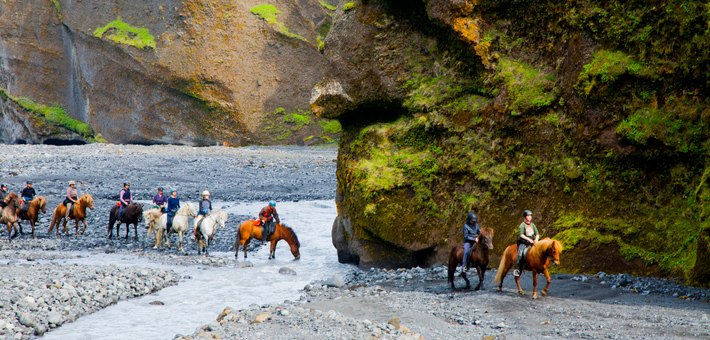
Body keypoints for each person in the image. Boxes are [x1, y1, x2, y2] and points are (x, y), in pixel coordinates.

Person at [514, 210, 539, 277]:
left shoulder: (533, 225)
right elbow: (521, 235)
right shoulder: (522, 225)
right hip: (524, 242)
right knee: (520, 254)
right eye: (528, 216)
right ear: (525, 217)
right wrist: (529, 239)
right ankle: (516, 269)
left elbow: (537, 234)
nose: (529, 217)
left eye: (530, 216)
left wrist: (536, 239)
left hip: (532, 242)